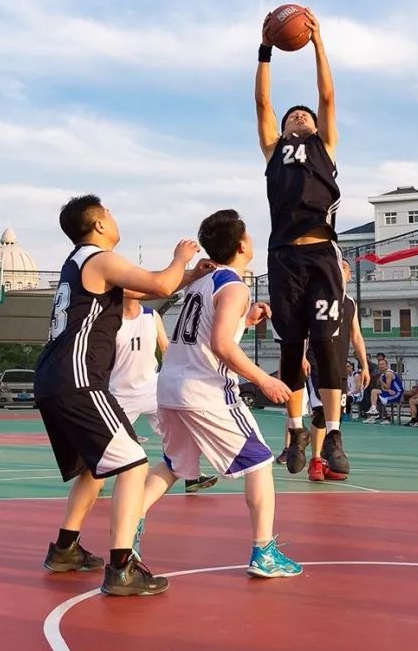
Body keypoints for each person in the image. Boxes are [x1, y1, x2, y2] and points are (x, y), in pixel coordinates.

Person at [35, 194, 211, 596]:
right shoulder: (100, 258)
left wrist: (185, 277)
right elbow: (161, 283)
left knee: (91, 469)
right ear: (97, 224)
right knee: (133, 466)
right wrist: (180, 258)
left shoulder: (78, 264)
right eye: (109, 213)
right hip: (78, 379)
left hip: (54, 379)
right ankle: (122, 569)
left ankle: (65, 549)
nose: (115, 218)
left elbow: (145, 290)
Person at [141, 209, 301, 578]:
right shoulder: (234, 286)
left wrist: (244, 321)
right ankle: (264, 552)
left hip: (169, 386)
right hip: (205, 389)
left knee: (173, 465)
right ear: (243, 244)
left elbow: (208, 333)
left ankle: (127, 533)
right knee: (259, 462)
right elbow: (220, 346)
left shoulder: (202, 282)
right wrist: (265, 379)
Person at [257, 7, 346, 480]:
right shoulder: (274, 149)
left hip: (321, 252)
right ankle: (294, 430)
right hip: (283, 256)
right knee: (291, 349)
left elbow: (327, 95)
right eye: (293, 114)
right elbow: (262, 106)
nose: (298, 116)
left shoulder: (324, 144)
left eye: (304, 114)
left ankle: (332, 433)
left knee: (327, 347)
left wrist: (317, 43)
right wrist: (266, 50)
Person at [110, 294, 217, 493]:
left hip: (152, 388)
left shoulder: (152, 316)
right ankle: (93, 478)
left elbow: (165, 347)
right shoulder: (108, 320)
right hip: (120, 393)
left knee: (181, 432)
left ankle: (191, 476)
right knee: (107, 442)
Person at [287, 258, 369, 481]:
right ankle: (314, 460)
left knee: (336, 415)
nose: (340, 269)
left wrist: (364, 365)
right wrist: (302, 356)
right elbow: (303, 331)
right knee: (321, 413)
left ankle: (327, 457)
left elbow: (357, 336)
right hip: (316, 363)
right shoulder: (317, 297)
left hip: (339, 366)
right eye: (336, 266)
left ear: (350, 275)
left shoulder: (350, 302)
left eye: (344, 267)